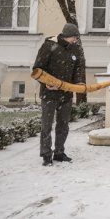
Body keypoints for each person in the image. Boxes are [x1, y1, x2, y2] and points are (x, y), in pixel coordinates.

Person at [32, 23, 84, 166]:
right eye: (74, 37)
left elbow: (78, 68)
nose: (76, 40)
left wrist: (79, 83)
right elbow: (37, 68)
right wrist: (45, 82)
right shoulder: (49, 46)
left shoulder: (75, 49)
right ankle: (46, 155)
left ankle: (59, 152)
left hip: (66, 94)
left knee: (63, 125)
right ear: (67, 36)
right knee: (46, 125)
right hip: (49, 94)